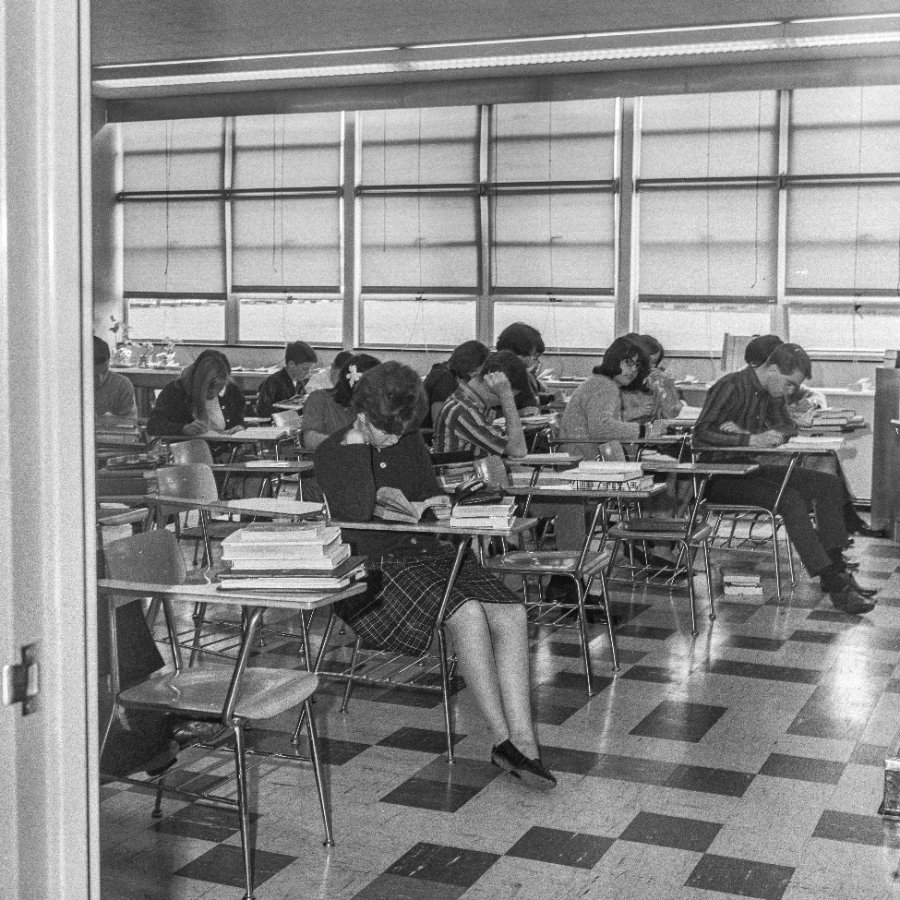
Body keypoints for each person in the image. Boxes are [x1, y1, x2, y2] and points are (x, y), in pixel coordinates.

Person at [314, 361, 555, 788]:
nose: (394, 439)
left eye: (401, 431)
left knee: (512, 613)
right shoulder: (334, 451)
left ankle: (524, 740)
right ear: (361, 415)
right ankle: (503, 740)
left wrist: (436, 506)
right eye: (386, 431)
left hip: (427, 555)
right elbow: (353, 513)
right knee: (467, 613)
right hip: (373, 573)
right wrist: (357, 446)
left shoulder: (406, 440)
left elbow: (429, 493)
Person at [693, 342, 876, 615]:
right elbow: (699, 435)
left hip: (750, 469)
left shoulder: (771, 391)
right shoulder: (730, 386)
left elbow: (788, 426)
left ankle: (837, 570)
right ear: (773, 369)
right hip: (718, 477)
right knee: (790, 500)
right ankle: (836, 585)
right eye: (789, 384)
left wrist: (752, 433)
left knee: (828, 484)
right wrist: (749, 440)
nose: (790, 391)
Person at [743, 335, 881, 538]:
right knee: (823, 460)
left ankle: (835, 531)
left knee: (825, 457)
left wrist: (811, 404)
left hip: (777, 450)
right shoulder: (746, 385)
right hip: (755, 457)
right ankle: (837, 529)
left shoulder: (780, 379)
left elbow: (813, 395)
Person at [558, 336, 667, 461]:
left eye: (637, 365)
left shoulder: (602, 383)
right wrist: (644, 431)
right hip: (584, 459)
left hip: (589, 455)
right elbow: (601, 429)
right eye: (628, 362)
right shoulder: (604, 386)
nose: (633, 369)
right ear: (614, 360)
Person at [431, 350, 530, 458]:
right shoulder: (463, 410)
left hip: (481, 467)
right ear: (492, 379)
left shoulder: (469, 404)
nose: (501, 403)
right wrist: (506, 397)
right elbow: (518, 450)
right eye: (511, 394)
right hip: (464, 468)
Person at [146, 348, 245, 437]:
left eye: (219, 388)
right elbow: (153, 425)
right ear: (198, 381)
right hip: (187, 449)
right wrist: (183, 429)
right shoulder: (175, 390)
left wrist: (240, 427)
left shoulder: (232, 390)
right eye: (209, 388)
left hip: (225, 448)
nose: (214, 393)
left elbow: (242, 420)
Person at [301, 353, 381, 450]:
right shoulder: (320, 398)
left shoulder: (375, 405)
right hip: (332, 457)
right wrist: (346, 440)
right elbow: (309, 440)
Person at [422, 340, 489, 429]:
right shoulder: (445, 379)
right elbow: (438, 422)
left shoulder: (441, 370)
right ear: (473, 364)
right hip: (429, 435)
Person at [620, 334, 683, 424]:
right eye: (647, 361)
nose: (650, 367)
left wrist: (669, 386)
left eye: (654, 362)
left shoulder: (654, 384)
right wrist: (638, 412)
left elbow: (673, 412)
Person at [496, 322, 550, 414]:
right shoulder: (500, 378)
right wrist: (521, 413)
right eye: (535, 357)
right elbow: (494, 414)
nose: (537, 362)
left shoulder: (526, 375)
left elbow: (530, 399)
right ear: (518, 354)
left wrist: (551, 398)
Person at [254, 340, 317, 418]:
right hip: (275, 423)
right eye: (305, 369)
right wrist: (289, 415)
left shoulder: (300, 383)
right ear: (291, 364)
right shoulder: (273, 381)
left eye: (310, 369)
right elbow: (262, 409)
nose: (308, 373)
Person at [93, 335, 137, 424]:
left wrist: (111, 420)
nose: (100, 380)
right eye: (93, 375)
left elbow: (131, 422)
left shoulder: (122, 385)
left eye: (104, 372)